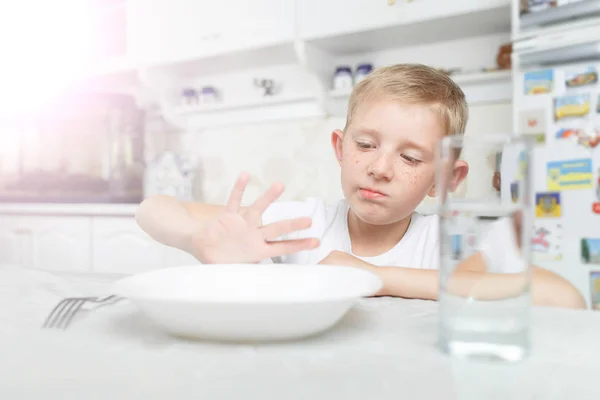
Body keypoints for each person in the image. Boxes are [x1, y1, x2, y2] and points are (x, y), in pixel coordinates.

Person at [136, 64, 586, 309]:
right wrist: (199, 240)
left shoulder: (450, 245)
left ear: (447, 179)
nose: (379, 168)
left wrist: (377, 277)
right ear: (339, 147)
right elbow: (153, 209)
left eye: (410, 158)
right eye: (366, 144)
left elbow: (563, 297)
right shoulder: (300, 225)